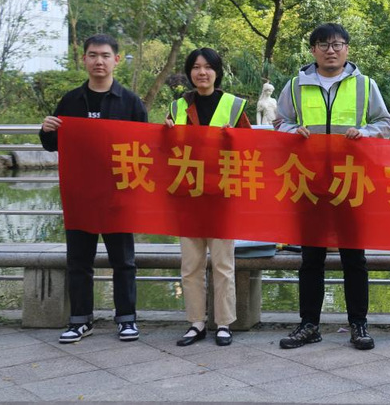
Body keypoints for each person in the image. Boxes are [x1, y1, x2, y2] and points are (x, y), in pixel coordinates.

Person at [276, 23, 390, 351]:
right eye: (324, 44)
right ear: (313, 49)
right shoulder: (295, 86)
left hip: (351, 181)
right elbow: (280, 122)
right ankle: (309, 324)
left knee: (354, 257)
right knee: (310, 258)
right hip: (308, 182)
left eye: (337, 44)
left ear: (347, 49)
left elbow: (385, 123)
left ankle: (358, 324)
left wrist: (364, 133)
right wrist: (293, 131)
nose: (331, 50)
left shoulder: (365, 85)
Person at [39, 34, 148, 344]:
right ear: (84, 59)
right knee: (79, 261)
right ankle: (80, 320)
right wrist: (46, 130)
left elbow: (145, 149)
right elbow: (53, 145)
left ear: (116, 60)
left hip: (118, 195)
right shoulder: (71, 101)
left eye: (105, 55)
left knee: (123, 261)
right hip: (80, 195)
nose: (99, 61)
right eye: (92, 55)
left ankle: (126, 319)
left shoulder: (130, 102)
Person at [165, 48, 251, 348]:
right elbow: (165, 152)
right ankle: (196, 323)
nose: (202, 72)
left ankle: (224, 323)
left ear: (217, 72)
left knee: (223, 265)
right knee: (191, 265)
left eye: (208, 67)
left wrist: (234, 139)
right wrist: (165, 133)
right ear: (189, 72)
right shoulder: (177, 107)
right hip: (188, 197)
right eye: (196, 67)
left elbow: (252, 150)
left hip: (221, 196)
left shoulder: (235, 106)